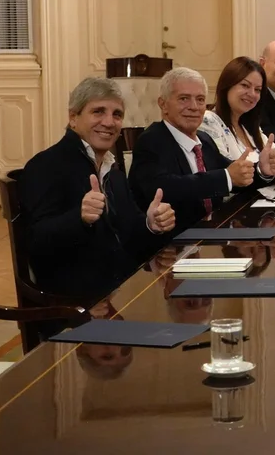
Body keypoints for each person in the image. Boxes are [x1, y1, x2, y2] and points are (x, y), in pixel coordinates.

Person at [20, 77, 175, 299]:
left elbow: (131, 233)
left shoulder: (114, 171)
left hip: (122, 290)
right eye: (98, 112)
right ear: (73, 118)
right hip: (75, 301)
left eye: (117, 114)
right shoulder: (46, 165)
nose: (109, 122)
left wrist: (151, 224)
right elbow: (36, 242)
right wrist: (80, 218)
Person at [129, 67, 275, 232]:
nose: (194, 107)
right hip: (175, 239)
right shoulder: (152, 140)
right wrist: (226, 177)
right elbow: (165, 187)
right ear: (163, 104)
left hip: (215, 232)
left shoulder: (204, 139)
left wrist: (263, 170)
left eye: (200, 100)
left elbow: (235, 175)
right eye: (184, 99)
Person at [199, 56, 275, 176]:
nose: (252, 94)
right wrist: (263, 170)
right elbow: (225, 171)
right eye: (245, 85)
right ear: (227, 85)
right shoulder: (208, 120)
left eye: (257, 90)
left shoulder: (248, 126)